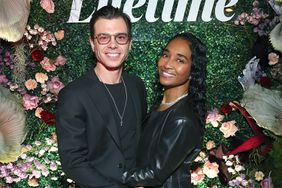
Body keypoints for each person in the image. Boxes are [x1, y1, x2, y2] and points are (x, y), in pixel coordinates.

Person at [56, 5, 147, 188]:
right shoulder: (74, 94)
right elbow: (73, 162)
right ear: (92, 43)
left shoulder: (136, 85)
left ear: (129, 43)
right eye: (103, 37)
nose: (113, 44)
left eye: (120, 37)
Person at [122, 32, 207, 188]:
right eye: (165, 55)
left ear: (193, 71)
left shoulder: (182, 119)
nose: (167, 64)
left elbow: (154, 174)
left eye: (180, 60)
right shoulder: (161, 106)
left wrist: (111, 173)